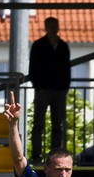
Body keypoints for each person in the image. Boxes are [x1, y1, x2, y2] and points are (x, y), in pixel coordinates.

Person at [28, 16, 71, 163]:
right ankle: (36, 156)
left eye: (55, 26)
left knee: (57, 124)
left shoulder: (63, 46)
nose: (53, 29)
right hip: (43, 90)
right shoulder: (39, 45)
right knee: (39, 124)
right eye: (51, 26)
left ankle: (55, 156)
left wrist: (64, 87)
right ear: (46, 28)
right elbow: (33, 68)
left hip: (58, 91)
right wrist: (38, 87)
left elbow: (66, 69)